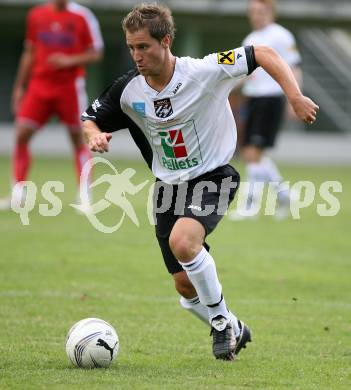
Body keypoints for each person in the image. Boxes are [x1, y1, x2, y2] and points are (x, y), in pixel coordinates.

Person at [82, 4, 318, 361]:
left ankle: (221, 323)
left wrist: (294, 95)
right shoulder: (128, 90)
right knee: (184, 286)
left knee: (184, 242)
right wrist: (94, 136)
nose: (137, 55)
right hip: (167, 190)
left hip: (214, 176)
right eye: (131, 47)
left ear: (166, 40)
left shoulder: (205, 70)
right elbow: (89, 117)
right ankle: (236, 326)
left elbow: (263, 53)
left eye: (143, 46)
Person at [0, 0, 104, 210]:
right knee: (21, 134)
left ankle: (85, 196)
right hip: (39, 85)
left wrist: (69, 60)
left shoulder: (83, 16)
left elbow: (96, 52)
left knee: (78, 139)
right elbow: (29, 52)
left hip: (69, 87)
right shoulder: (36, 15)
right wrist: (20, 86)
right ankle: (18, 193)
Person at [228, 0, 303, 220]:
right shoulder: (250, 40)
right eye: (252, 12)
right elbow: (245, 73)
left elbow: (294, 68)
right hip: (253, 99)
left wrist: (294, 99)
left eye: (259, 11)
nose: (255, 16)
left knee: (253, 152)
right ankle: (284, 194)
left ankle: (250, 207)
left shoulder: (282, 36)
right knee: (254, 154)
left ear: (270, 12)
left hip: (271, 99)